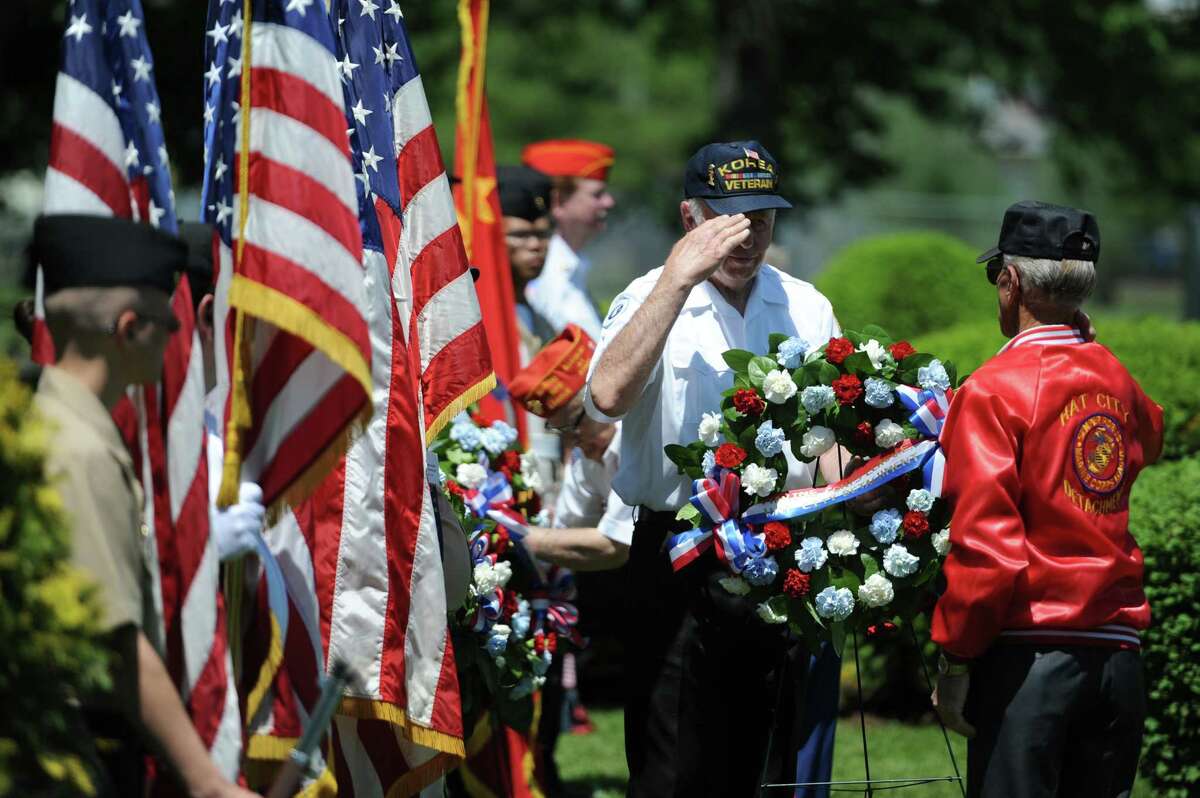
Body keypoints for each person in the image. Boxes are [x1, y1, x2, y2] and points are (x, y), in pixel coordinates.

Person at [584, 140, 856, 796]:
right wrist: (678, 280)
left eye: (761, 219)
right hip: (677, 556)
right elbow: (604, 399)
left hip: (780, 553)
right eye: (729, 219)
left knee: (770, 768)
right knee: (673, 766)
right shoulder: (649, 296)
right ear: (689, 218)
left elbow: (832, 441)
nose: (747, 236)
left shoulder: (806, 305)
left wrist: (859, 499)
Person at [930, 201, 1163, 798]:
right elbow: (1151, 432)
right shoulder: (1112, 373)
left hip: (1031, 658)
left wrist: (955, 659)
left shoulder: (993, 388)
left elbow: (988, 549)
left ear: (1010, 282)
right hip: (1118, 659)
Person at [29, 213, 258, 798]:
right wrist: (208, 782)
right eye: (167, 320)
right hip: (79, 748)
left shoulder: (66, 426)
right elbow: (116, 639)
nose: (179, 333)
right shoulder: (77, 448)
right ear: (129, 329)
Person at [521, 139, 616, 340]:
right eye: (597, 195)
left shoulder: (569, 267)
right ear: (559, 201)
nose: (609, 202)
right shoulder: (544, 273)